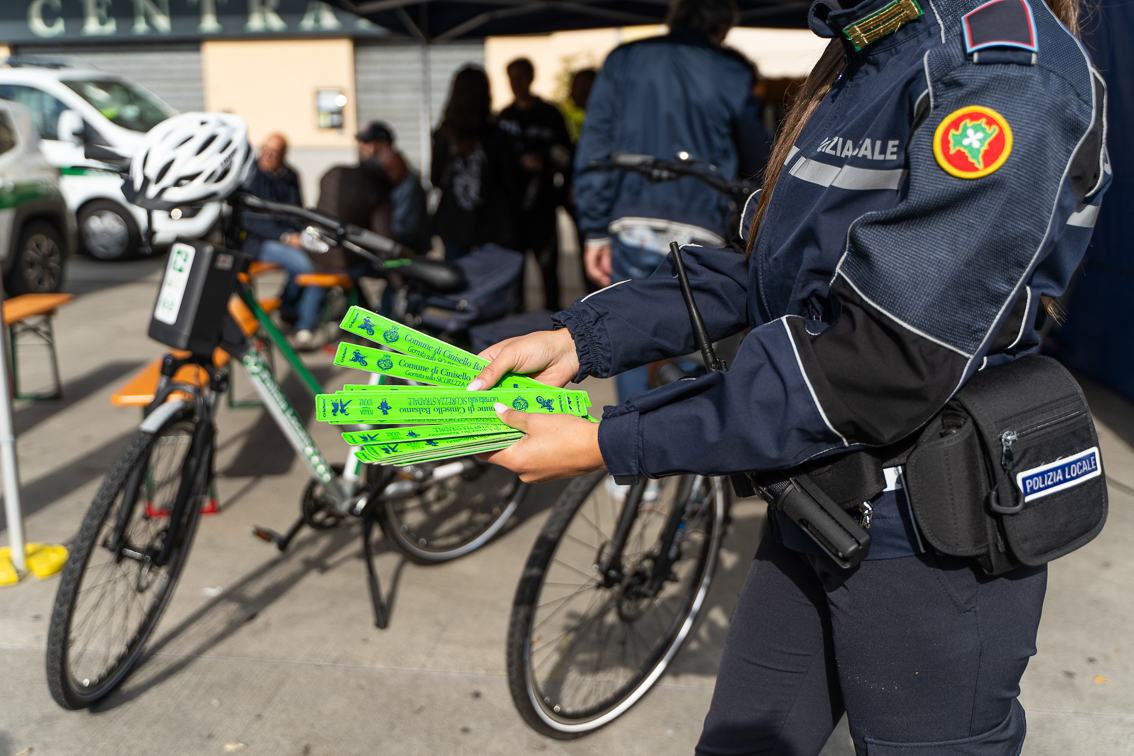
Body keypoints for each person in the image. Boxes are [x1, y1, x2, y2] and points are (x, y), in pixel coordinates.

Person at [468, 0, 1109, 752]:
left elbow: (881, 362)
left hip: (928, 542)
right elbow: (762, 270)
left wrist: (610, 440)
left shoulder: (1004, 72)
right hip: (819, 507)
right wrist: (579, 338)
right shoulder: (876, 50)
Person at [571, 0, 770, 400]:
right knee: (698, 338)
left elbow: (595, 145)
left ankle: (628, 447)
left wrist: (593, 230)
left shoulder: (625, 59)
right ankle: (686, 442)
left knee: (627, 331)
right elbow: (759, 159)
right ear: (722, 28)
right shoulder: (730, 70)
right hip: (703, 222)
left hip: (633, 220)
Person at [499, 57, 574, 311]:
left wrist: (545, 161)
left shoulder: (550, 114)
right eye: (512, 77)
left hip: (542, 206)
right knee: (512, 272)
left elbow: (568, 154)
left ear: (531, 78)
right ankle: (515, 327)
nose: (516, 83)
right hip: (511, 209)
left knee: (548, 268)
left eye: (521, 77)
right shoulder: (504, 117)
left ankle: (554, 324)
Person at [241, 133, 324, 350]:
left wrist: (303, 235)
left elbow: (297, 212)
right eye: (264, 150)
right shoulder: (251, 175)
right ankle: (303, 325)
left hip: (289, 238)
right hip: (260, 241)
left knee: (322, 260)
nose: (266, 156)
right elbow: (250, 220)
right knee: (309, 269)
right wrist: (286, 237)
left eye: (273, 153)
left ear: (284, 155)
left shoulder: (290, 175)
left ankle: (288, 309)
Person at [431, 66, 515, 261]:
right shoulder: (498, 136)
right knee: (491, 283)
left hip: (455, 224)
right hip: (491, 225)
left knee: (457, 284)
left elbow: (435, 179)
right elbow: (510, 182)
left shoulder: (444, 135)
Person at [356, 120, 430, 255]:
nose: (362, 147)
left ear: (385, 145)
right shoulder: (372, 176)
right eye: (361, 142)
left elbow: (403, 228)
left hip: (406, 255)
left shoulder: (404, 181)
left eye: (368, 142)